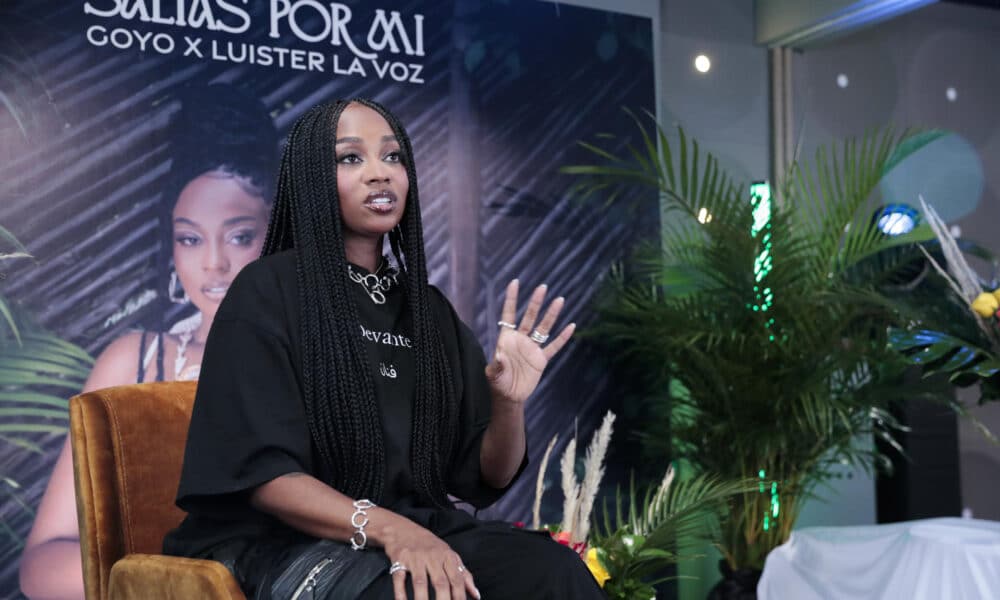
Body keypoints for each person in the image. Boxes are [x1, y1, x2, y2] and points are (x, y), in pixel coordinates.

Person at [162, 98, 606, 599]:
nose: (380, 174)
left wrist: (508, 403)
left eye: (392, 157)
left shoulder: (427, 310)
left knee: (553, 572)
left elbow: (487, 475)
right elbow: (263, 476)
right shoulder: (267, 290)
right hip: (282, 542)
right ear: (311, 177)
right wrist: (394, 531)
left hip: (407, 532)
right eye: (351, 158)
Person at [19, 83, 278, 600]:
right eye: (190, 237)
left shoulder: (324, 365)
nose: (213, 265)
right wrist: (178, 583)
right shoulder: (135, 363)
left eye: (239, 235)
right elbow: (42, 562)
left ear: (277, 235)